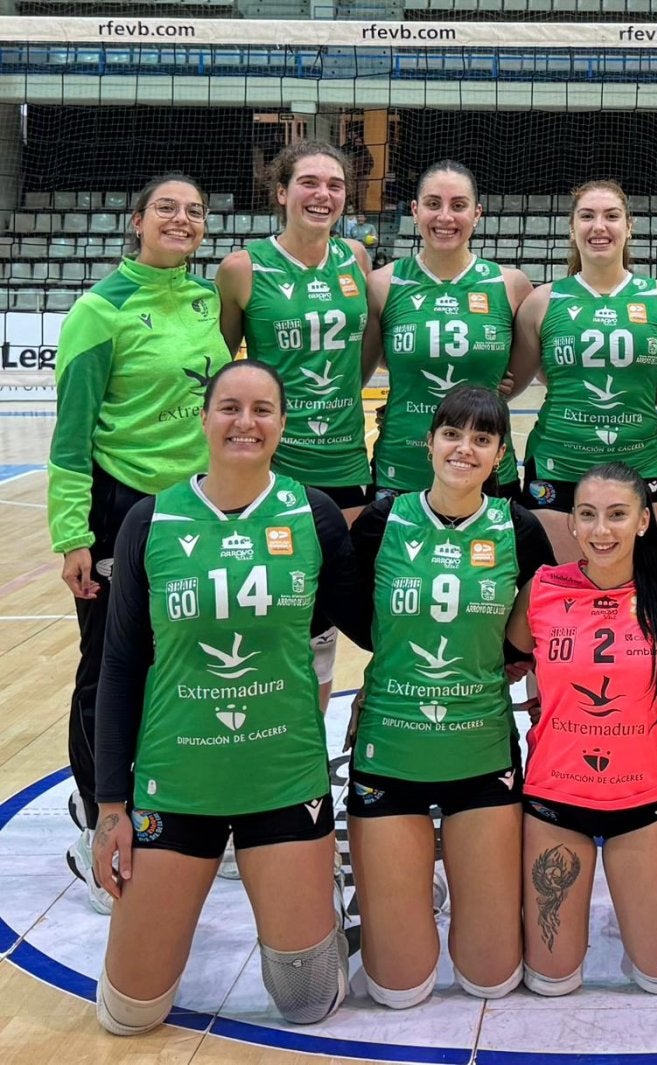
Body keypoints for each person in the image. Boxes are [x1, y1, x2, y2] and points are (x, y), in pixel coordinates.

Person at [89, 360, 367, 1035]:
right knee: (129, 1013)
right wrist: (110, 806)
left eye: (263, 409)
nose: (246, 421)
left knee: (309, 1002)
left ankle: (324, 900)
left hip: (283, 775)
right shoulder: (150, 522)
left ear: (282, 424)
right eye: (231, 408)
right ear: (206, 417)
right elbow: (121, 664)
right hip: (178, 777)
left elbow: (373, 625)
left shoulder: (315, 515)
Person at [47, 172, 230, 915]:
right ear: (137, 220)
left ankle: (166, 806)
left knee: (175, 662)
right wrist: (72, 534)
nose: (181, 220)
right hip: (121, 506)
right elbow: (69, 434)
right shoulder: (99, 311)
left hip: (197, 509)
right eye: (167, 208)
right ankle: (98, 823)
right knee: (108, 672)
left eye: (193, 211)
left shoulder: (204, 300)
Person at [347, 386, 554, 1007]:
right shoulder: (384, 520)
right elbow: (358, 618)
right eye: (453, 434)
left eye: (483, 439)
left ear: (499, 456)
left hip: (481, 755)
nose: (465, 448)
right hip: (390, 752)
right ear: (430, 440)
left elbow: (538, 630)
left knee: (491, 978)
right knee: (398, 990)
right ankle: (387, 904)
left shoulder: (519, 529)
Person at [505, 462, 657, 997]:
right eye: (587, 515)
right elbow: (509, 659)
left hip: (641, 803)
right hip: (555, 802)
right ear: (572, 522)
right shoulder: (542, 588)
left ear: (642, 523)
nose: (600, 530)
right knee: (551, 982)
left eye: (616, 515)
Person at [216, 140, 375, 720]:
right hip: (272, 473)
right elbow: (228, 370)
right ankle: (259, 728)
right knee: (273, 606)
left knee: (325, 618)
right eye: (308, 182)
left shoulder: (355, 258)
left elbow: (360, 358)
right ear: (281, 193)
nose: (323, 194)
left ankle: (305, 749)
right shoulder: (242, 268)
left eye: (333, 185)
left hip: (347, 466)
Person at [504, 179, 657, 563]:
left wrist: (635, 391)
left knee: (635, 599)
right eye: (587, 216)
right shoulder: (542, 302)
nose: (599, 227)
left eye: (611, 216)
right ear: (572, 229)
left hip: (638, 467)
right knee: (561, 596)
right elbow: (512, 382)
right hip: (558, 464)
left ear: (629, 226)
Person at [368, 161, 533, 501]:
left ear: (477, 213)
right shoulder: (383, 284)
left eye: (458, 206)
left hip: (488, 472)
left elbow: (521, 373)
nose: (445, 217)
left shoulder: (510, 285)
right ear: (414, 210)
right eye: (433, 204)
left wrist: (489, 390)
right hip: (402, 467)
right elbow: (371, 362)